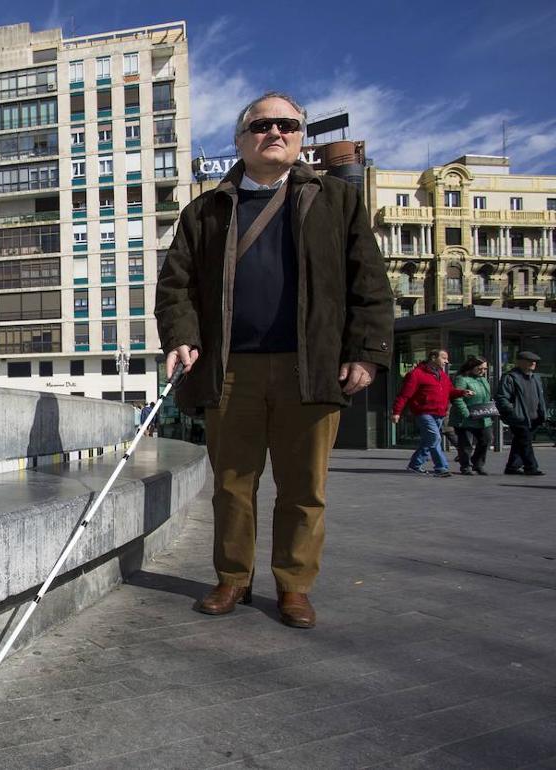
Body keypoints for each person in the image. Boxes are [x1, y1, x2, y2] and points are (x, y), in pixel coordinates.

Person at [154, 91, 393, 629]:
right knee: (233, 486)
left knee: (304, 488)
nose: (275, 133)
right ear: (242, 140)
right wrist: (182, 336)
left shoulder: (337, 201)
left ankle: (294, 586)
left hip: (310, 367)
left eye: (287, 124)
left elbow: (369, 283)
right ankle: (232, 579)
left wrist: (368, 353)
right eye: (262, 126)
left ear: (301, 138)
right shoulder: (206, 210)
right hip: (231, 368)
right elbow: (175, 286)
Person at [391, 350, 467, 478]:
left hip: (440, 413)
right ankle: (441, 468)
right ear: (433, 357)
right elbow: (404, 395)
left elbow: (450, 391)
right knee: (434, 438)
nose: (446, 361)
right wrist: (396, 412)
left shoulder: (442, 375)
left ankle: (415, 464)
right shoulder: (416, 374)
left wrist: (462, 392)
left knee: (428, 440)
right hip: (424, 413)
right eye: (443, 358)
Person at [495, 351, 547, 476]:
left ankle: (512, 467)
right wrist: (511, 411)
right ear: (520, 362)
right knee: (525, 442)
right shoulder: (510, 377)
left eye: (534, 362)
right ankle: (531, 467)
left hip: (534, 417)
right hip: (518, 417)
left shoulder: (535, 377)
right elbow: (502, 397)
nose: (533, 364)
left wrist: (542, 413)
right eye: (530, 361)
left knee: (520, 441)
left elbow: (540, 397)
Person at [449, 356, 493, 475]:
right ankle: (466, 466)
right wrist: (465, 412)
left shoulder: (483, 380)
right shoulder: (462, 379)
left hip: (482, 415)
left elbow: (486, 396)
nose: (483, 371)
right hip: (465, 417)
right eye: (480, 368)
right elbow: (457, 397)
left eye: (485, 369)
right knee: (466, 443)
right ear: (472, 367)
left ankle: (478, 463)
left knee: (487, 439)